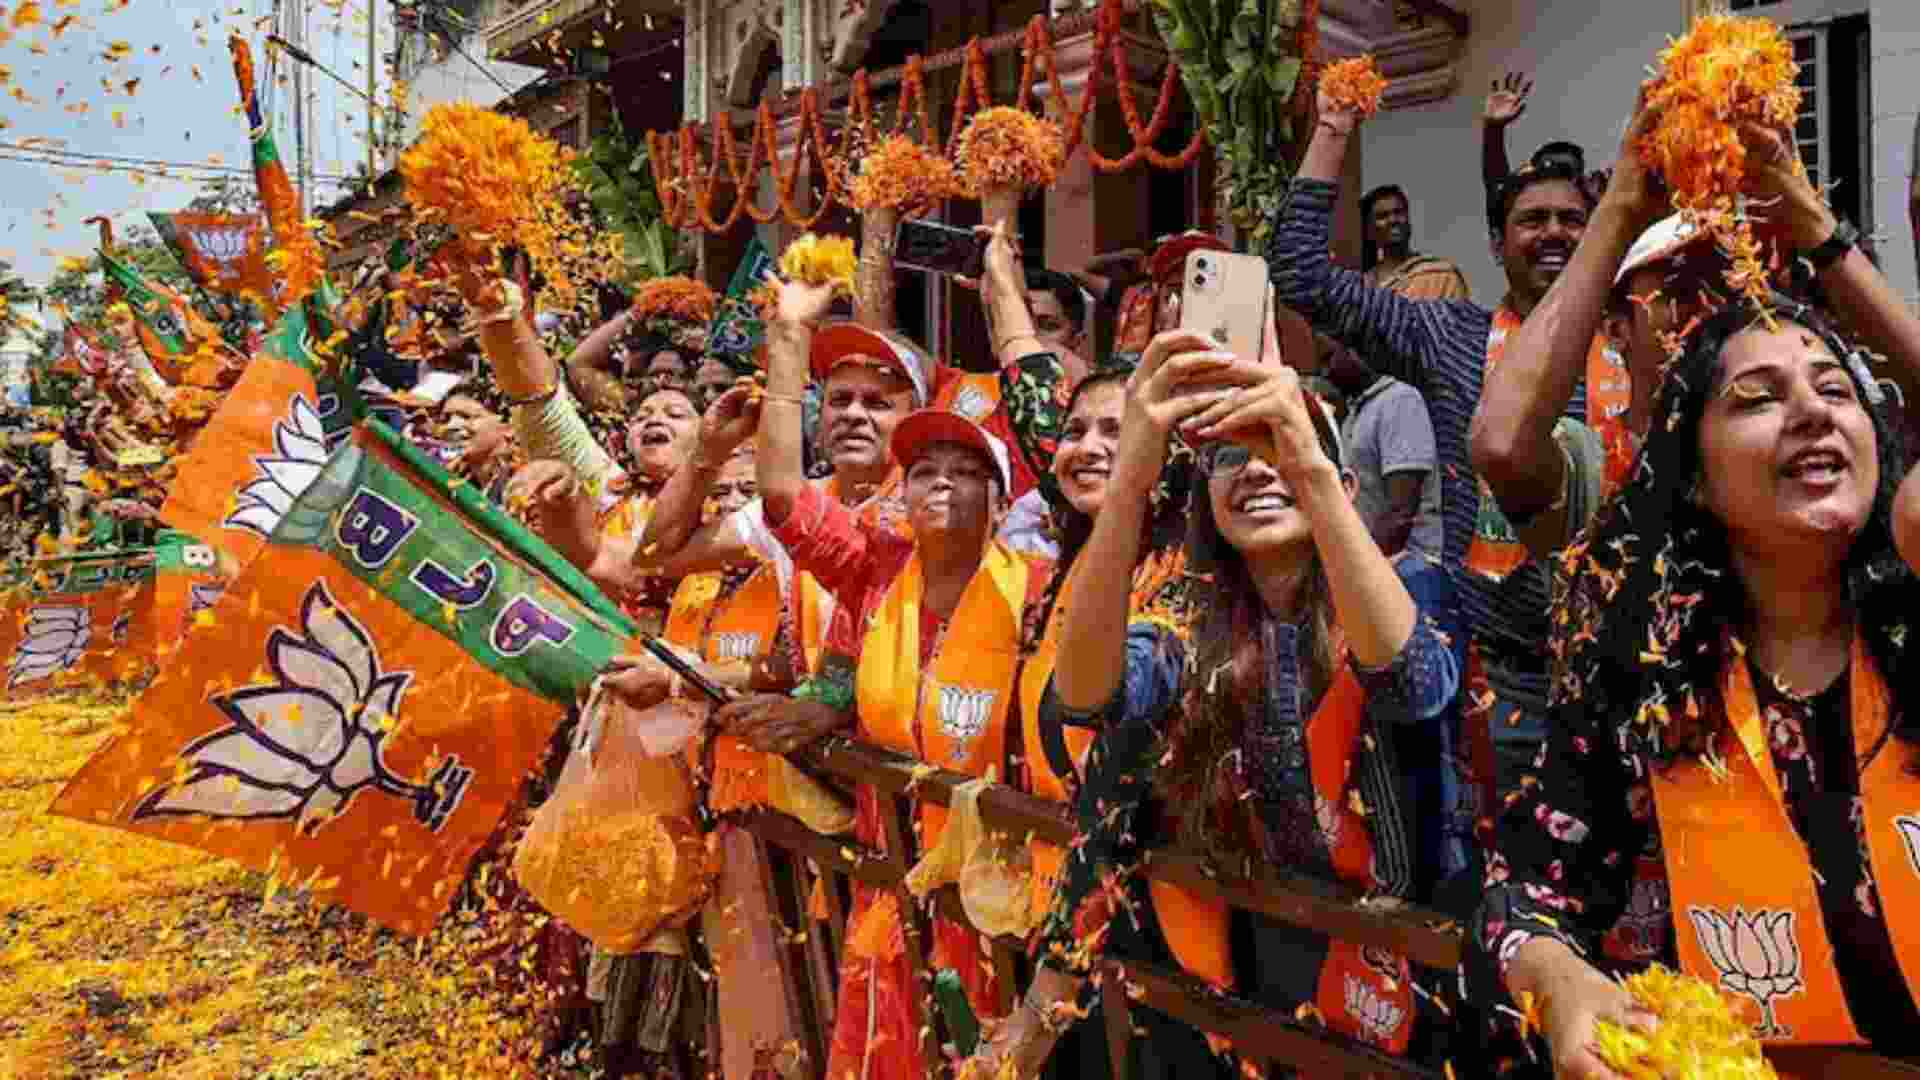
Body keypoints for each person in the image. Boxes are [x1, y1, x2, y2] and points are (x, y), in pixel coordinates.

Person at [968, 328, 1457, 1078]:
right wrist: (1131, 477)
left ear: (1341, 481)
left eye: (1279, 443)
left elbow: (1415, 681)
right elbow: (1086, 697)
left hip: (1405, 994)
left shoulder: (1409, 585)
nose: (1258, 468)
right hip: (1252, 988)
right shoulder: (1185, 620)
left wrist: (1311, 464)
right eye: (1229, 454)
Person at [1472, 294, 1920, 1075]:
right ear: (1697, 477)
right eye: (1758, 398)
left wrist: (1826, 242)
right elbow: (1522, 896)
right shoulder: (1640, 687)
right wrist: (1560, 981)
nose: (1812, 412)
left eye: (1835, 388)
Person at [1273, 80, 1611, 844]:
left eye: (1571, 220)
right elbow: (1299, 274)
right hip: (1499, 681)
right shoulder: (1449, 337)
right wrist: (1332, 128)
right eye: (1532, 220)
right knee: (1496, 898)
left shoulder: (1645, 341)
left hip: (1629, 674)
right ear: (1498, 244)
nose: (1552, 233)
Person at [711, 362, 1051, 1080]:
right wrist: (788, 340)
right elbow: (782, 498)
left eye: (965, 471)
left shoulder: (1039, 595)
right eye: (924, 470)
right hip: (888, 883)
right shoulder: (875, 571)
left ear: (1000, 501)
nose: (941, 484)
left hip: (1002, 903)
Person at [1472, 96, 1920, 572]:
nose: (1710, 308)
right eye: (1682, 286)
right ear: (1617, 328)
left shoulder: (1811, 437)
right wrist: (1619, 210)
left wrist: (1805, 211)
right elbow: (1501, 446)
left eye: (1728, 283)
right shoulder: (1591, 464)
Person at [1321, 331, 1443, 561]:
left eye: (1329, 359)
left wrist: (1368, 567)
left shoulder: (1399, 401)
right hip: (1379, 564)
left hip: (1409, 566)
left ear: (1355, 353)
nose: (1325, 371)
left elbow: (1402, 512)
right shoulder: (1355, 413)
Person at [1361, 185, 1471, 301]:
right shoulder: (1364, 286)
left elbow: (1455, 317)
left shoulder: (1442, 275)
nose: (1393, 220)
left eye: (1399, 212)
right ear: (1369, 230)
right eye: (1382, 216)